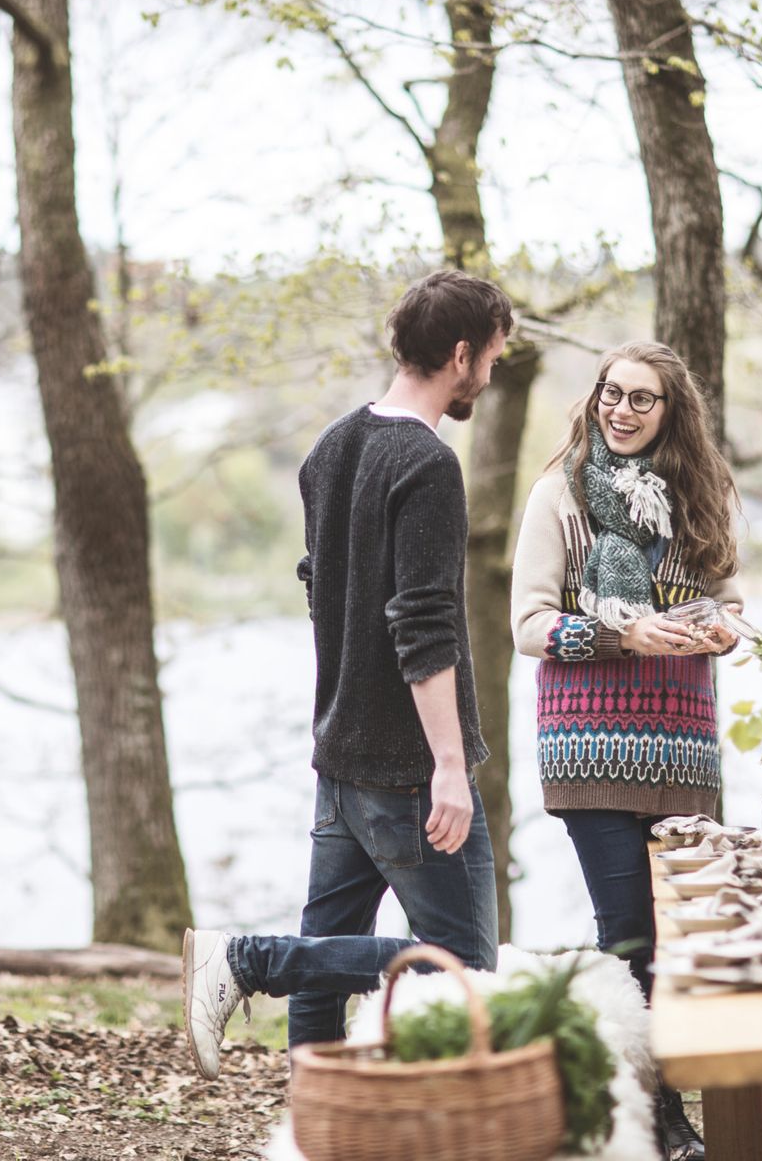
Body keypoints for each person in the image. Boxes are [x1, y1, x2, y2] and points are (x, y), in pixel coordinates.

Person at [181, 268, 509, 1079]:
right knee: (466, 963)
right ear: (461, 355)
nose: (493, 374)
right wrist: (446, 768)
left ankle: (314, 1124)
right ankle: (249, 961)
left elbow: (320, 585)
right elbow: (422, 626)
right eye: (494, 357)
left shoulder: (331, 445)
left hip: (340, 752)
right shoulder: (428, 465)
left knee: (326, 961)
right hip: (403, 768)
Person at [510, 340, 742, 1161]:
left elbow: (733, 606)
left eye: (642, 400)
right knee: (632, 935)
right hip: (593, 749)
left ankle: (676, 1095)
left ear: (671, 413)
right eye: (613, 393)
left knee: (687, 935)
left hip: (683, 754)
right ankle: (659, 1113)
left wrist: (717, 630)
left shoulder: (706, 495)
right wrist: (619, 633)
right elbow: (528, 625)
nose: (621, 410)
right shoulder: (560, 496)